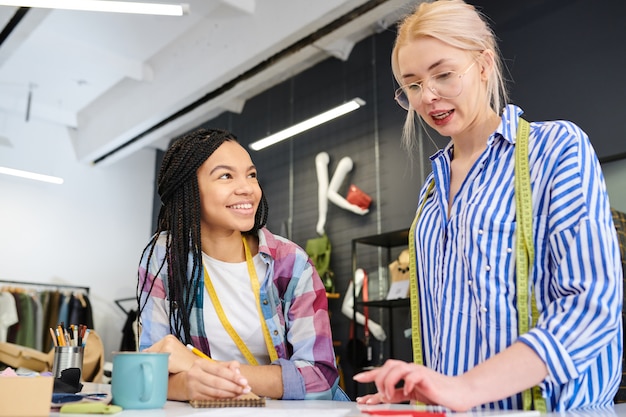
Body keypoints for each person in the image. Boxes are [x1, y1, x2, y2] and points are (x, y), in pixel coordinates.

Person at [353, 0, 622, 412]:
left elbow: (591, 307)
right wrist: (423, 392)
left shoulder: (554, 149)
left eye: (443, 74)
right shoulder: (432, 191)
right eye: (412, 85)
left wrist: (467, 388)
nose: (428, 97)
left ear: (483, 64)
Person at [136, 128, 347, 401]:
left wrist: (201, 370)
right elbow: (148, 373)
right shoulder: (163, 258)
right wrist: (188, 385)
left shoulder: (291, 263)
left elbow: (320, 378)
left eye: (251, 175)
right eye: (226, 176)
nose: (247, 188)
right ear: (187, 188)